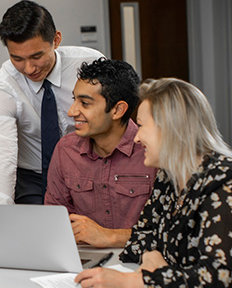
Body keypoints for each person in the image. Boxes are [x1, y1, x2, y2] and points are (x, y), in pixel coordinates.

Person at [75, 78, 232, 288]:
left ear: (172, 129)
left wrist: (132, 282)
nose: (136, 138)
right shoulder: (170, 174)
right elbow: (142, 239)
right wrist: (156, 263)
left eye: (142, 126)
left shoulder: (229, 187)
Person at [0, 0, 104, 204]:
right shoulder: (3, 86)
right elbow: (1, 157)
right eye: (18, 59)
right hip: (33, 177)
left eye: (36, 56)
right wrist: (1, 216)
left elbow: (113, 122)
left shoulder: (90, 64)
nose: (29, 68)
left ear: (56, 40)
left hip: (89, 168)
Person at [45, 58, 156, 248]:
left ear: (117, 110)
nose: (71, 112)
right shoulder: (66, 150)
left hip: (141, 260)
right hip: (83, 259)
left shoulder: (152, 152)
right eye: (74, 100)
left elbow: (169, 231)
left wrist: (110, 237)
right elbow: (54, 221)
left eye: (85, 103)